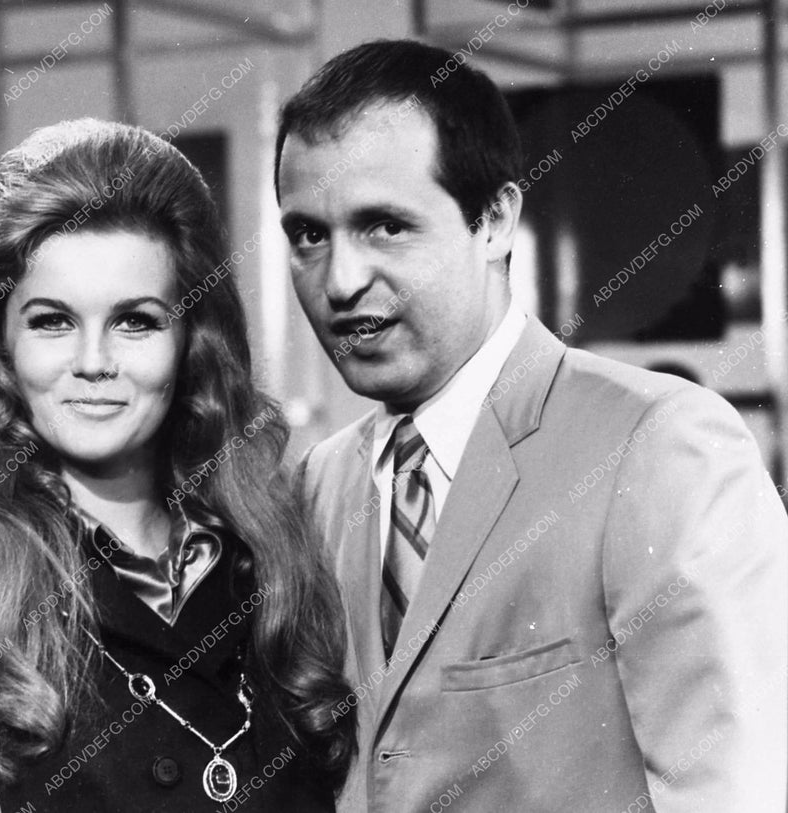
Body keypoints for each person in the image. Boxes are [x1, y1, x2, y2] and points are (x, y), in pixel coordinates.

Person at [276, 39, 787, 812]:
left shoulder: (658, 446)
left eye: (384, 226)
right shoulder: (317, 484)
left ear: (495, 220)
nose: (340, 281)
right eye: (309, 235)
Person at [0, 118, 355, 812]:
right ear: (0, 345)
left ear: (192, 341)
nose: (93, 363)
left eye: (135, 321)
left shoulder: (278, 562)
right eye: (52, 321)